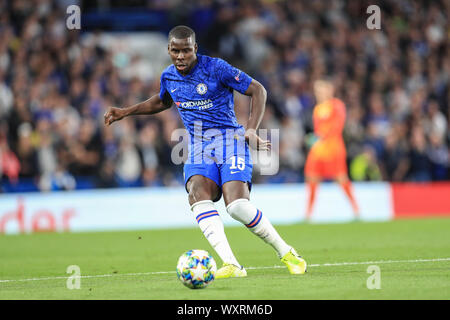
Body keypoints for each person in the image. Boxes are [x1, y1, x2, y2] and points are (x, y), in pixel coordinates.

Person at [104, 26, 306, 278]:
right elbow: (162, 101)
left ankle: (286, 252)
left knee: (237, 207)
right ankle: (232, 265)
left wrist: (251, 129)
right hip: (199, 147)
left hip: (230, 141)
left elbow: (258, 90)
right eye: (175, 51)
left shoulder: (217, 68)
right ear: (168, 50)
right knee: (196, 195)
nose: (180, 56)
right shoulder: (169, 77)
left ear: (195, 49)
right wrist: (126, 111)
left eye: (186, 50)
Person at [304, 79, 360, 222]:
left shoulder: (337, 105)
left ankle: (356, 210)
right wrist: (314, 139)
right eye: (317, 91)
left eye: (322, 90)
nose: (319, 93)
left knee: (341, 178)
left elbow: (338, 125)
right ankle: (308, 214)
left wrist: (322, 135)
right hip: (319, 149)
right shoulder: (317, 109)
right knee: (311, 177)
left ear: (330, 90)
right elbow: (317, 130)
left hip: (334, 148)